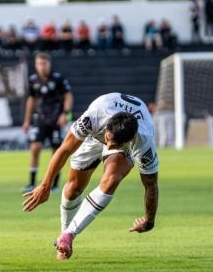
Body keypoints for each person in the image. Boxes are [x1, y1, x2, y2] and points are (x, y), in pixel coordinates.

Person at [22, 92, 159, 260]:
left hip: (122, 149)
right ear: (108, 128)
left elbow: (151, 184)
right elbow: (64, 150)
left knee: (111, 180)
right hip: (94, 137)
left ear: (130, 140)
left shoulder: (143, 142)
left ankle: (68, 236)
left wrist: (149, 221)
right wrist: (45, 185)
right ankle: (64, 232)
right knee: (73, 189)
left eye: (113, 145)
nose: (108, 146)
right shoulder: (93, 117)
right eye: (108, 140)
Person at [22, 52, 73, 192]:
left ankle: (54, 184)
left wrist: (65, 114)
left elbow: (68, 96)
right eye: (39, 64)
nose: (41, 66)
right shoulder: (33, 80)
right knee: (35, 148)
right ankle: (32, 182)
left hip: (57, 119)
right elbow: (31, 100)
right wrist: (27, 120)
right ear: (35, 65)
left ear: (49, 64)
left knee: (56, 151)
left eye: (44, 63)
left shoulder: (58, 79)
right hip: (41, 119)